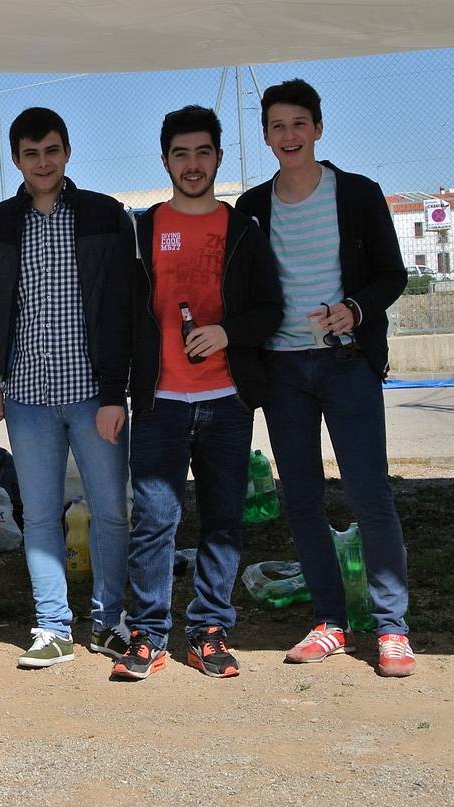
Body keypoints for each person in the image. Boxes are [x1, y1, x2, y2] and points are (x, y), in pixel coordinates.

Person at [236, 79, 415, 677]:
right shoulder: (252, 206)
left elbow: (392, 275)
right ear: (265, 136)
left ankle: (392, 628)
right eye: (277, 127)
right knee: (304, 499)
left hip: (346, 363)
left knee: (370, 493)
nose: (288, 136)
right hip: (283, 370)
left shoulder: (358, 194)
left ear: (318, 128)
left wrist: (355, 310)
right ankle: (331, 621)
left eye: (298, 124)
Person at [111, 105, 283, 680]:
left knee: (222, 520)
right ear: (165, 160)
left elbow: (271, 310)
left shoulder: (241, 230)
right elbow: (122, 317)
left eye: (202, 152)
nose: (192, 164)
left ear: (218, 158)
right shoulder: (143, 228)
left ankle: (209, 630)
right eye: (180, 154)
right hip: (159, 402)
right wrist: (118, 391)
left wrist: (226, 333)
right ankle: (149, 634)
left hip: (226, 400)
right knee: (156, 518)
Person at [0, 107, 134, 668]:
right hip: (26, 393)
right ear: (16, 160)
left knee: (111, 507)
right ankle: (51, 626)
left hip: (93, 391)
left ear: (67, 153)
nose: (42, 162)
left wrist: (117, 390)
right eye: (30, 153)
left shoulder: (104, 215)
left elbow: (121, 304)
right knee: (40, 514)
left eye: (52, 151)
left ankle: (110, 618)